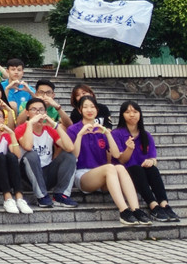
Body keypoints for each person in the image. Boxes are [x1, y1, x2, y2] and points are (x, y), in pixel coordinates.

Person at [67, 95, 151, 225]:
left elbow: (116, 154)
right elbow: (74, 156)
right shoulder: (73, 130)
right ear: (79, 110)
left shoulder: (101, 130)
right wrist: (80, 134)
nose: (89, 110)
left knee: (119, 167)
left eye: (92, 107)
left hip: (105, 176)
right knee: (110, 167)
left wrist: (107, 133)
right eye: (85, 107)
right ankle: (124, 211)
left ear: (97, 110)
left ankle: (136, 209)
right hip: (83, 175)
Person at [112, 101, 178, 222]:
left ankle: (164, 204)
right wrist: (129, 149)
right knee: (136, 169)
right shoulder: (116, 134)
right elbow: (121, 160)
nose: (132, 115)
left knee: (152, 169)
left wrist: (151, 161)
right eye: (127, 112)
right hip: (126, 172)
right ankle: (153, 206)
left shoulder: (146, 135)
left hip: (143, 170)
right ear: (122, 115)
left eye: (135, 111)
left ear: (140, 114)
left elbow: (154, 158)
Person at [16, 98, 78, 208]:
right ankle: (42, 196)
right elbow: (28, 146)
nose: (38, 113)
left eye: (41, 110)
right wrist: (30, 124)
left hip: (47, 172)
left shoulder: (49, 130)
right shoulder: (21, 129)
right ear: (27, 113)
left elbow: (70, 148)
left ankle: (61, 195)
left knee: (69, 156)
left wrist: (55, 125)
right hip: (28, 176)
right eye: (34, 110)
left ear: (45, 112)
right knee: (31, 155)